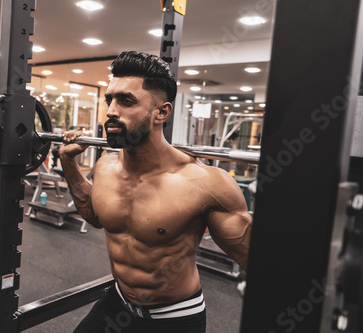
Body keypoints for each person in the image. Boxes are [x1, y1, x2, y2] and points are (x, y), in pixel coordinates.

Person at [59, 51, 252, 333]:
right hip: (119, 303)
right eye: (109, 100)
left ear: (162, 112)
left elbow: (255, 260)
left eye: (126, 101)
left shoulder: (206, 183)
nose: (111, 111)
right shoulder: (105, 167)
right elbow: (94, 216)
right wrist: (68, 162)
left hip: (174, 318)